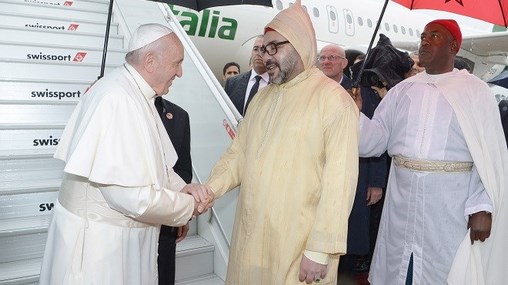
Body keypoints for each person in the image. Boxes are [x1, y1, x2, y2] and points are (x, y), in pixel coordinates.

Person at [39, 23, 213, 285]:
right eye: (176, 63)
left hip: (121, 244)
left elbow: (156, 165)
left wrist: (184, 188)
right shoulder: (117, 98)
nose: (180, 72)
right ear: (151, 61)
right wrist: (188, 206)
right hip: (101, 250)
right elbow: (132, 198)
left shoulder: (136, 94)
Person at [205, 1, 359, 284]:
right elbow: (238, 155)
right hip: (250, 237)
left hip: (299, 247)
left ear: (300, 44)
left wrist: (319, 250)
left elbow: (340, 183)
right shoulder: (262, 98)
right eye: (264, 48)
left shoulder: (334, 101)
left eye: (275, 47)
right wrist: (208, 190)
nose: (267, 57)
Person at [352, 19, 508, 285]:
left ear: (454, 46)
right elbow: (373, 142)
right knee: (400, 271)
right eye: (423, 36)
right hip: (401, 203)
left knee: (442, 272)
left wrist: (483, 206)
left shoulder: (475, 91)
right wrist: (353, 113)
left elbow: (491, 156)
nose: (424, 41)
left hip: (449, 208)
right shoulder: (402, 91)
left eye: (434, 36)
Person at [154, 96, 193, 285]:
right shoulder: (121, 108)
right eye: (176, 64)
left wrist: (181, 213)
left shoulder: (179, 116)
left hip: (166, 225)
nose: (179, 73)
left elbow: (184, 170)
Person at [224, 35, 269, 116]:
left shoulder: (278, 85)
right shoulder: (232, 83)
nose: (258, 53)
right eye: (255, 49)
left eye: (263, 49)